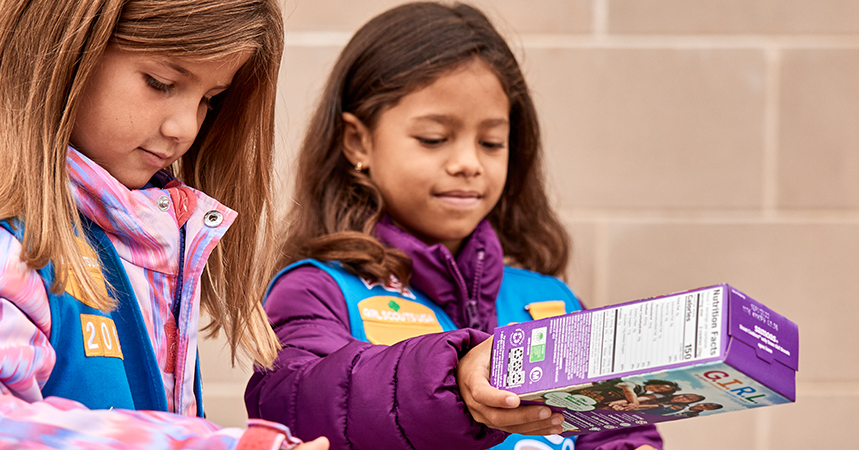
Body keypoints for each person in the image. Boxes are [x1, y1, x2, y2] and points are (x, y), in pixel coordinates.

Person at [0, 1, 323, 449]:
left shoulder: (133, 228)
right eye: (161, 82)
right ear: (64, 49)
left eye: (209, 99)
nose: (185, 128)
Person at [242, 3, 661, 450]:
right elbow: (292, 406)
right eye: (434, 139)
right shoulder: (314, 289)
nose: (468, 163)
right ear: (357, 141)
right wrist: (451, 380)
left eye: (491, 142)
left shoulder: (550, 299)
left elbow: (618, 430)